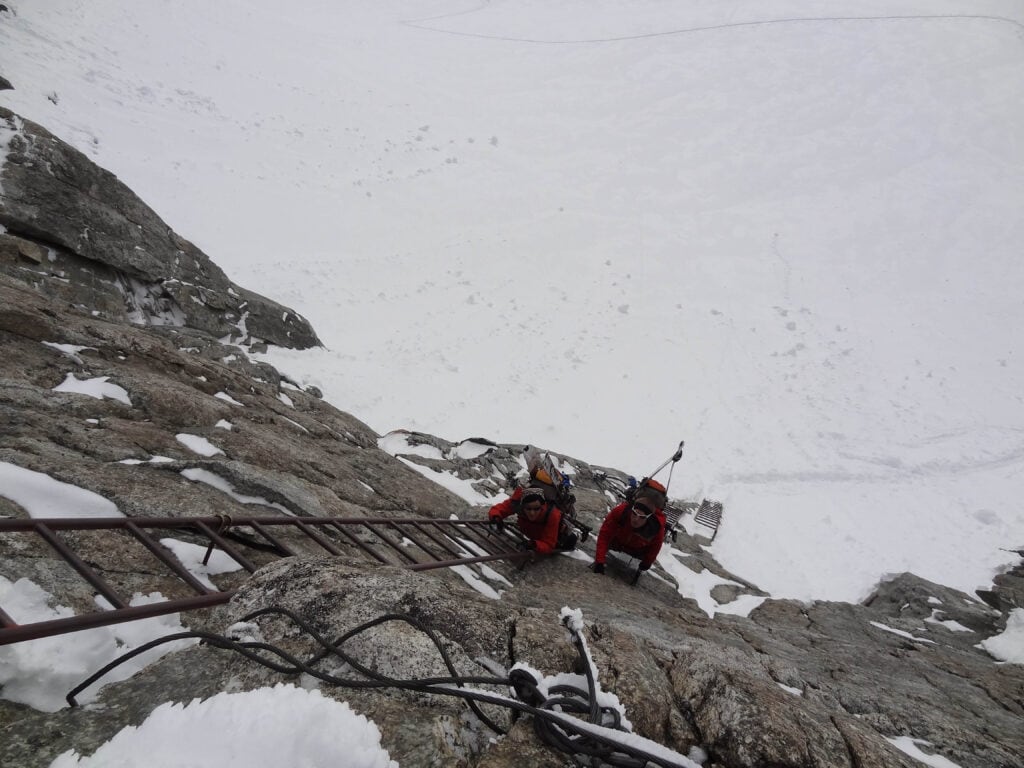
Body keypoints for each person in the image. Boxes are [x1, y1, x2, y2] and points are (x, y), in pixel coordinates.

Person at [591, 481, 667, 583]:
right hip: (618, 542)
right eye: (634, 513)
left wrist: (646, 563)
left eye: (641, 517)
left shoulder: (656, 528)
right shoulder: (621, 512)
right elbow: (605, 534)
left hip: (637, 550)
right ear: (631, 509)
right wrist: (599, 561)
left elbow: (655, 548)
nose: (636, 519)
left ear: (648, 518)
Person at [488, 484, 579, 554]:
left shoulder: (552, 515)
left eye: (536, 509)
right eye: (528, 509)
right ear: (522, 506)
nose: (532, 513)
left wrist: (534, 545)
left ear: (542, 506)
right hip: (530, 531)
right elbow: (498, 509)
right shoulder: (517, 504)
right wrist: (496, 518)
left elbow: (549, 544)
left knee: (570, 541)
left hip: (553, 536)